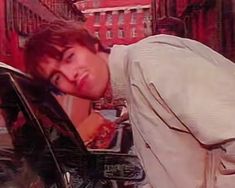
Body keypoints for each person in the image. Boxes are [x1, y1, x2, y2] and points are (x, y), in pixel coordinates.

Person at [24, 19, 235, 188]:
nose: (70, 75)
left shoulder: (149, 61)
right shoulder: (133, 86)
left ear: (93, 43)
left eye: (69, 57)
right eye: (56, 78)